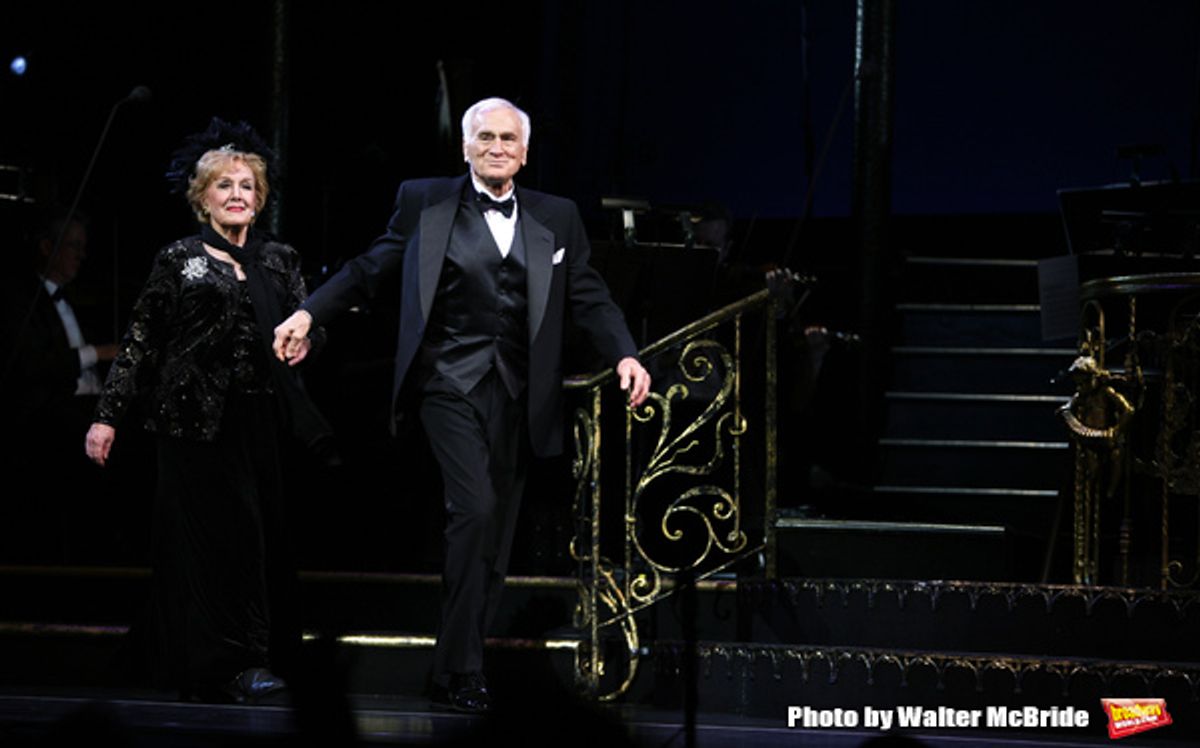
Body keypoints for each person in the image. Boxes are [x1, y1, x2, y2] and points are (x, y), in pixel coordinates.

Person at [272, 97, 651, 713]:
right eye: (485, 137)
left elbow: (589, 294)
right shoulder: (427, 201)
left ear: (524, 153)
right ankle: (461, 668)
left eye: (508, 138)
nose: (497, 146)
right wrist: (309, 312)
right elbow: (371, 267)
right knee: (473, 511)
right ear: (466, 146)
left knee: (495, 540)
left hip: (522, 392)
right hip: (448, 381)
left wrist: (626, 354)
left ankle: (456, 671)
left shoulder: (558, 215)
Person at [84, 118, 329, 703]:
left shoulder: (279, 258)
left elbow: (307, 326)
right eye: (224, 185)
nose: (237, 193)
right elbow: (142, 339)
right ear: (202, 198)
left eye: (247, 185)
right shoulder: (180, 259)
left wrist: (309, 341)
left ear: (260, 196)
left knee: (257, 540)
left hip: (260, 420)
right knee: (214, 543)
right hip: (192, 424)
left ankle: (254, 654)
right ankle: (231, 664)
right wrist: (106, 415)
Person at [0, 212, 119, 562]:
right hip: (50, 417)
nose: (81, 255)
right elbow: (32, 364)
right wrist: (98, 352)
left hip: (88, 408)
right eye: (74, 246)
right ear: (47, 248)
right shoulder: (20, 300)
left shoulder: (74, 300)